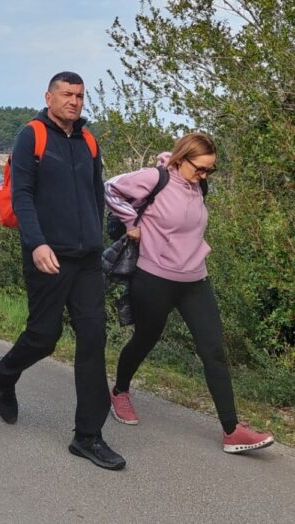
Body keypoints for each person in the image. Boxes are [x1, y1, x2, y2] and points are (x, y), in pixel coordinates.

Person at [0, 72, 125, 470]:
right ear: (49, 97)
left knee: (93, 338)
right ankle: (5, 371)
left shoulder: (88, 140)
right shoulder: (32, 135)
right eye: (66, 94)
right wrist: (37, 243)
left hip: (86, 258)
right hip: (47, 254)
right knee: (44, 336)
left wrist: (100, 237)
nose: (74, 101)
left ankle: (87, 436)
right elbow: (22, 196)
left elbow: (96, 193)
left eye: (80, 95)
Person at [104, 134, 274, 453]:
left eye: (210, 170)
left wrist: (200, 181)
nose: (205, 176)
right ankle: (120, 390)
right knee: (145, 339)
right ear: (181, 159)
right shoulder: (155, 178)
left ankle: (231, 430)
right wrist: (130, 221)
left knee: (213, 349)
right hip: (154, 278)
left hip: (195, 279)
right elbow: (110, 188)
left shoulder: (198, 186)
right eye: (200, 169)